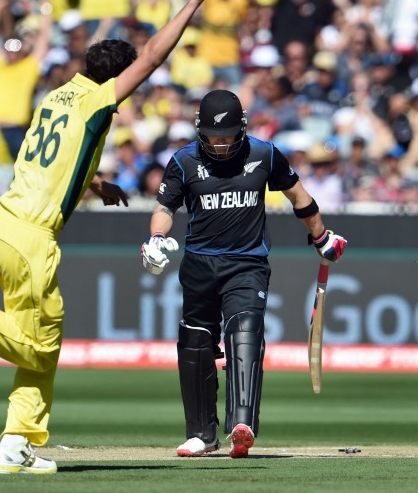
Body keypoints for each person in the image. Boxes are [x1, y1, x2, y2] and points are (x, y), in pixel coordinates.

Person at [0, 0, 212, 475]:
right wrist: (194, 2)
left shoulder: (55, 96)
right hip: (32, 237)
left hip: (2, 225)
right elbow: (153, 56)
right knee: (39, 347)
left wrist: (97, 183)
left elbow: (52, 158)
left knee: (40, 350)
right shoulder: (100, 99)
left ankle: (14, 444)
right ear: (113, 79)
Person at [140, 89, 347, 459]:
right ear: (200, 130)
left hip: (247, 263)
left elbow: (299, 197)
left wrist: (321, 236)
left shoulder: (264, 154)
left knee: (245, 330)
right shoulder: (184, 161)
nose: (221, 145)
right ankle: (201, 435)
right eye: (214, 137)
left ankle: (242, 425)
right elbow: (164, 207)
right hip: (199, 265)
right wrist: (156, 238)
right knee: (195, 343)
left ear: (242, 129)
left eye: (228, 136)